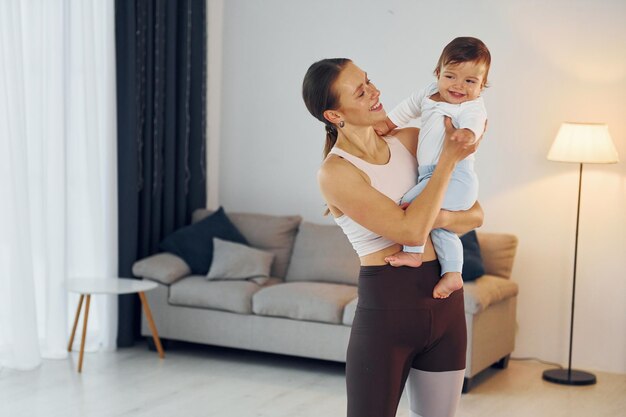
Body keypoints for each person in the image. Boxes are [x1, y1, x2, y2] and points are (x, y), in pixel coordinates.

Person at [302, 58, 484, 417]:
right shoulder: (335, 172)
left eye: (369, 81)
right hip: (388, 311)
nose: (375, 92)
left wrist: (442, 216)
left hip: (446, 306)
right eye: (360, 91)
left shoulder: (412, 140)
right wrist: (447, 162)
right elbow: (411, 231)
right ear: (334, 115)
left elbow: (476, 214)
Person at [377, 37, 491, 299]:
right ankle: (453, 274)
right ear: (438, 73)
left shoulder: (471, 106)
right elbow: (407, 107)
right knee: (438, 225)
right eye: (451, 76)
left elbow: (476, 122)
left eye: (470, 81)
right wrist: (388, 123)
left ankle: (413, 252)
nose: (459, 86)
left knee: (412, 203)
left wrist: (467, 135)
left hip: (456, 177)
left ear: (482, 86)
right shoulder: (428, 93)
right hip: (432, 175)